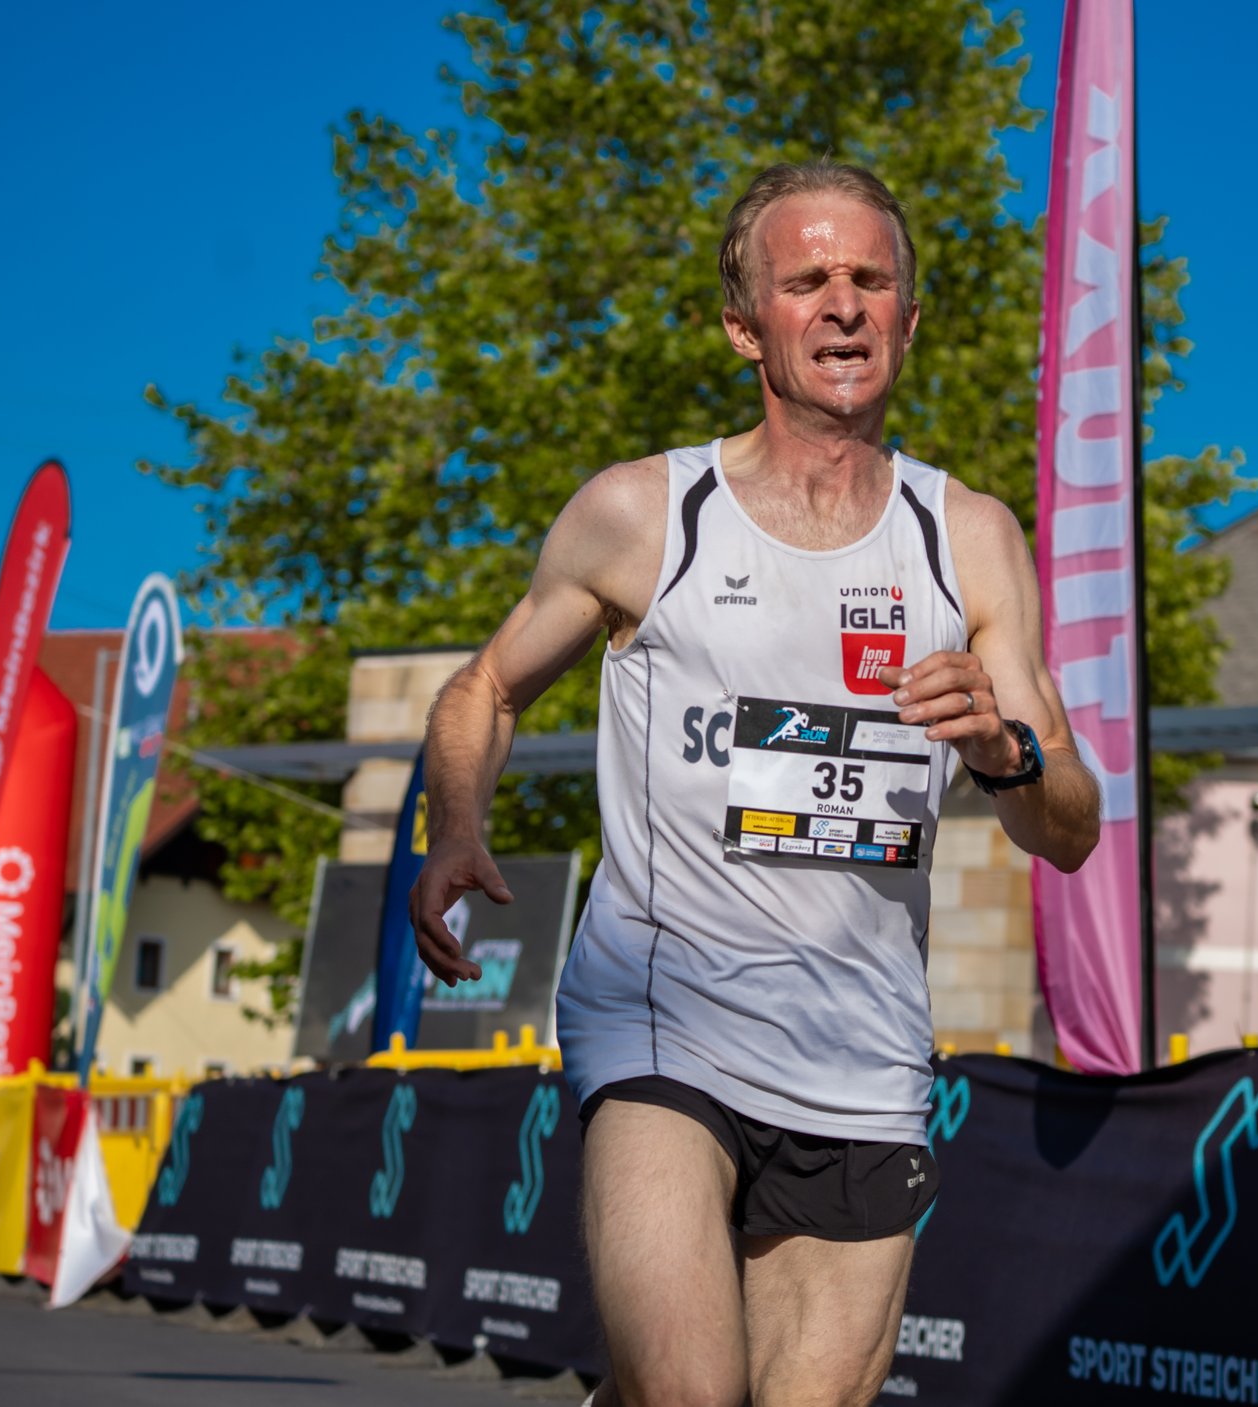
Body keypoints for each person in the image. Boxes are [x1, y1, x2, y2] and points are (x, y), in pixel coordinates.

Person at [412, 160, 1100, 1406]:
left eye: (870, 279)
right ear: (746, 327)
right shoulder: (646, 514)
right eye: (807, 281)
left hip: (863, 1049)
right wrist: (454, 825)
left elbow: (1069, 832)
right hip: (666, 1020)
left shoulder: (970, 536)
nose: (843, 305)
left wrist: (1008, 753)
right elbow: (484, 690)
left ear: (907, 315)